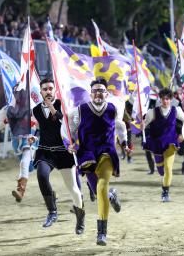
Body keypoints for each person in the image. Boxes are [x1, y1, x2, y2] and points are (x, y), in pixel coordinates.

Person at [68, 78, 128, 246]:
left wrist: (124, 143)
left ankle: (102, 233)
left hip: (107, 153)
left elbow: (121, 126)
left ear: (106, 93)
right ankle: (112, 195)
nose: (98, 93)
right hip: (86, 154)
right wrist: (70, 144)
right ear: (90, 93)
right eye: (95, 91)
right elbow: (69, 130)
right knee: (99, 193)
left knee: (101, 187)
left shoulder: (113, 108)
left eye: (101, 90)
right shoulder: (79, 110)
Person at [31, 78, 84, 234]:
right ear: (40, 92)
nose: (48, 91)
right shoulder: (35, 110)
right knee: (41, 175)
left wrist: (51, 107)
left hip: (63, 151)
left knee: (73, 188)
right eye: (45, 89)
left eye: (50, 88)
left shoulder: (63, 105)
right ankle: (52, 211)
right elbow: (42, 128)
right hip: (45, 151)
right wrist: (34, 136)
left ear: (55, 90)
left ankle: (80, 217)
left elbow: (62, 120)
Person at [141, 88, 184, 202]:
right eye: (163, 99)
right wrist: (141, 125)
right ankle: (163, 178)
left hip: (171, 143)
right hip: (157, 144)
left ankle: (165, 192)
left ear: (171, 99)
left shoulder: (177, 111)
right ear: (160, 99)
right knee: (161, 170)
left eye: (167, 99)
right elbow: (142, 126)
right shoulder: (153, 112)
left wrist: (183, 135)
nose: (165, 101)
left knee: (168, 168)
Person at [0, 85, 37, 203]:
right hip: (16, 141)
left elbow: (40, 124)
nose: (20, 94)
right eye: (17, 92)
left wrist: (33, 122)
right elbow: (0, 126)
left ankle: (20, 190)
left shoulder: (33, 108)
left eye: (23, 92)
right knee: (30, 166)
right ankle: (50, 192)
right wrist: (5, 121)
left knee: (24, 163)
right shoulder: (6, 109)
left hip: (31, 138)